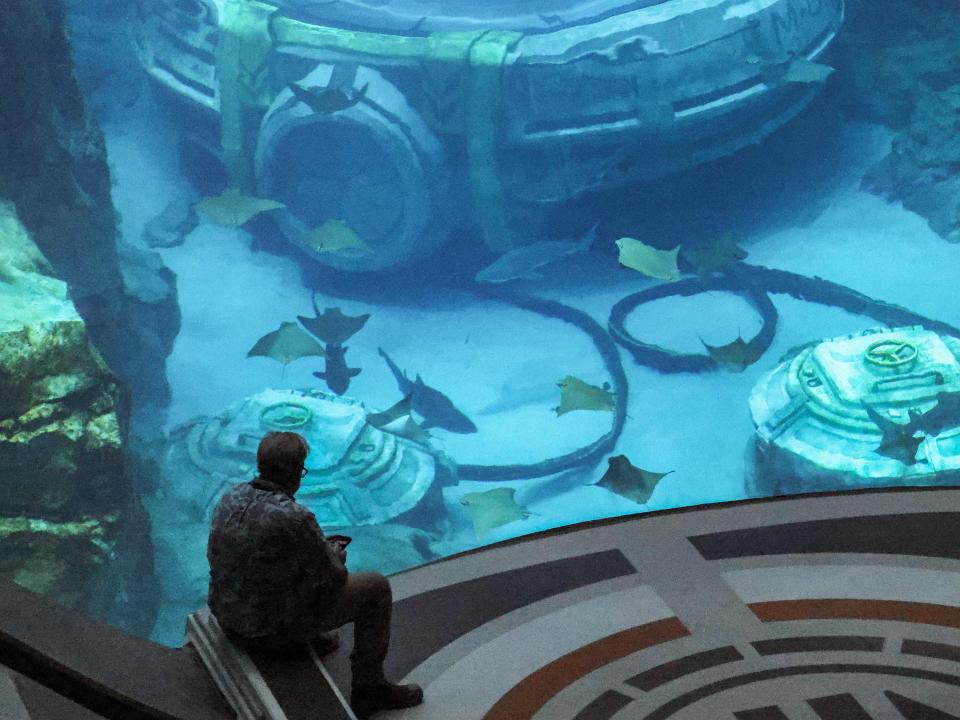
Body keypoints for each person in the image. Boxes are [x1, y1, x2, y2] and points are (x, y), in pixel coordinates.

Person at [206, 431, 423, 719]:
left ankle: (299, 637)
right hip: (265, 630)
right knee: (376, 588)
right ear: (296, 473)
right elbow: (333, 578)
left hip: (227, 619)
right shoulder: (295, 518)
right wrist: (335, 554)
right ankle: (370, 688)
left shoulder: (229, 497)